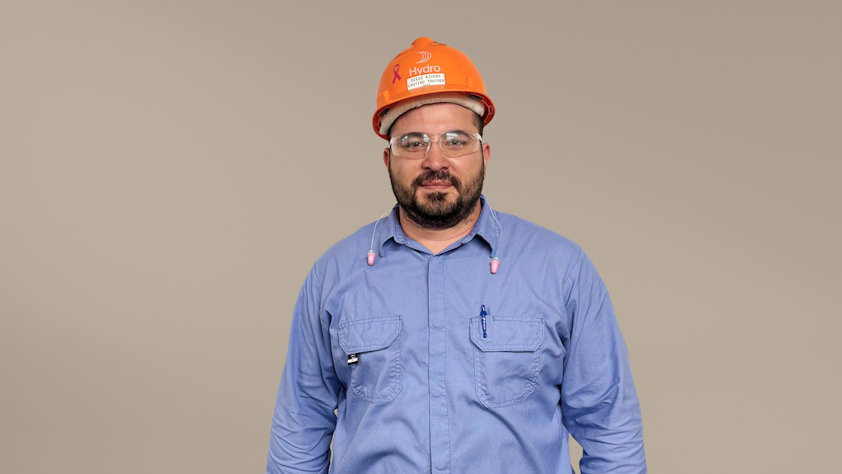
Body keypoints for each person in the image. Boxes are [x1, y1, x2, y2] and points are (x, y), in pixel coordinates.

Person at [266, 37, 646, 474]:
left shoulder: (561, 270)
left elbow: (610, 426)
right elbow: (301, 428)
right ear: (387, 159)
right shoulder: (333, 276)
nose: (435, 160)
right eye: (412, 142)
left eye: (455, 140)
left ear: (483, 153)